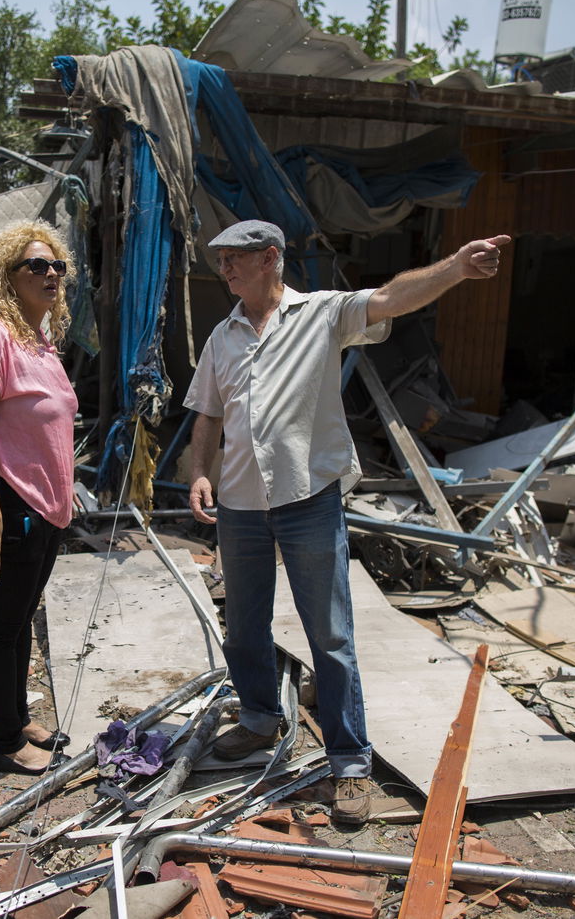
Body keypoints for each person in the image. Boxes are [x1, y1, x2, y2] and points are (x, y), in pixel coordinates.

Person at [184, 220, 510, 826]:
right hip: (239, 505)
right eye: (221, 259)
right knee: (244, 626)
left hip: (308, 501)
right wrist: (200, 471)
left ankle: (349, 762)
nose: (224, 268)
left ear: (270, 259)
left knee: (329, 636)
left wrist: (456, 268)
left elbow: (389, 298)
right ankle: (258, 721)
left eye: (234, 258)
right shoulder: (221, 337)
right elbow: (207, 414)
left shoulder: (322, 315)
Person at [0, 221, 78, 776]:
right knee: (3, 625)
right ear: (9, 277)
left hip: (49, 508)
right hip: (16, 506)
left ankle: (19, 715)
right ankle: (6, 742)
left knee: (24, 616)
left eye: (56, 265)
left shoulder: (40, 340)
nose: (51, 274)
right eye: (36, 265)